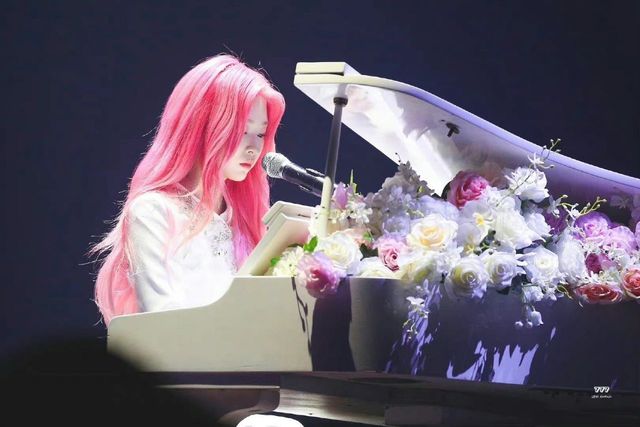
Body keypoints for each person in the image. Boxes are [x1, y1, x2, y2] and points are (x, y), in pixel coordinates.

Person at [90, 53, 286, 325]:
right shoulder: (153, 212)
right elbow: (162, 317)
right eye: (242, 130)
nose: (254, 147)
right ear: (203, 126)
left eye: (261, 134)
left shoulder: (244, 220)